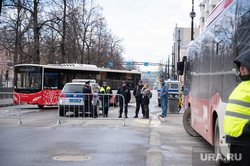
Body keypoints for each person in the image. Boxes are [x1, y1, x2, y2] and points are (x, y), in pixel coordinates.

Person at [223, 50, 250, 166]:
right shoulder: (241, 84)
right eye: (240, 66)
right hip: (236, 140)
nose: (241, 69)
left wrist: (246, 129)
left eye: (245, 65)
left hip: (245, 141)